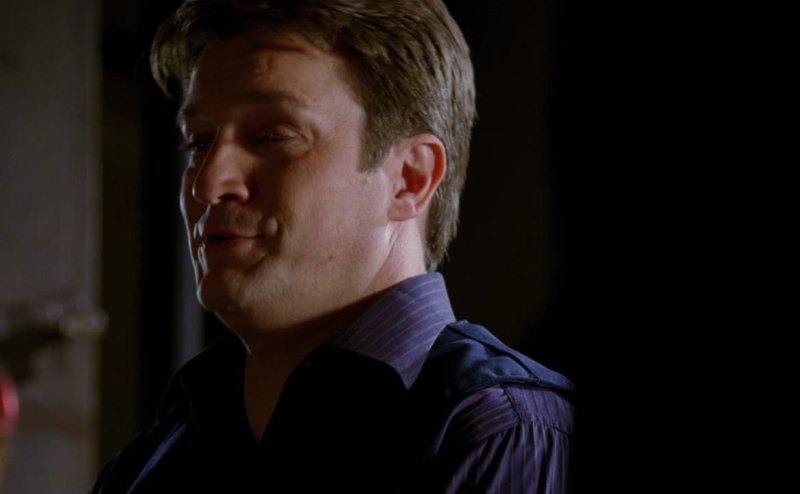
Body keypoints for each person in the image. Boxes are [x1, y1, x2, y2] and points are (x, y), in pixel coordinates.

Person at [92, 0, 574, 492]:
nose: (209, 183)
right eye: (199, 142)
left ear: (410, 178)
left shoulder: (501, 432)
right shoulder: (149, 462)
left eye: (273, 136)